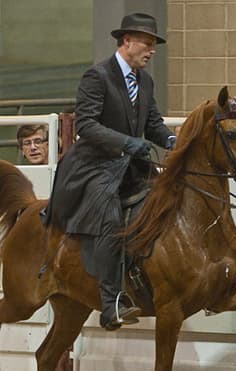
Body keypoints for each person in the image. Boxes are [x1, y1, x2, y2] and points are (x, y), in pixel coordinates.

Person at [43, 12, 176, 331]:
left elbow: (153, 123)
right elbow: (87, 125)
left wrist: (174, 141)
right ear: (127, 41)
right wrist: (129, 143)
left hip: (130, 166)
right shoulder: (97, 76)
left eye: (154, 43)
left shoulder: (145, 81)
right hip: (92, 166)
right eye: (147, 42)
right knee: (112, 218)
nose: (152, 49)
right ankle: (111, 302)